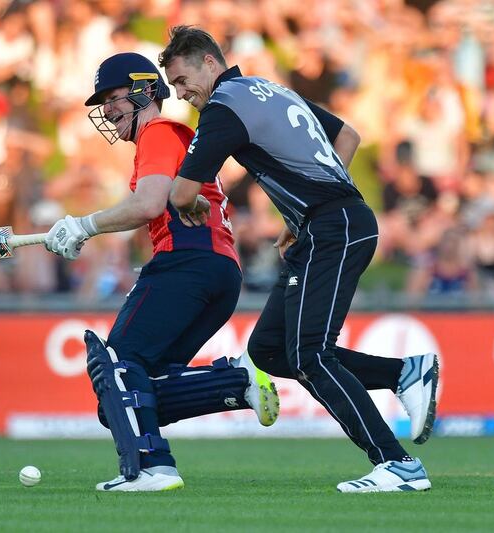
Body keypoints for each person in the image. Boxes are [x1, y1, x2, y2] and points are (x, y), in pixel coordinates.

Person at [161, 26, 438, 493]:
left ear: (210, 62)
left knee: (311, 354)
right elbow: (347, 137)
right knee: (270, 350)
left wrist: (192, 205)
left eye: (183, 80)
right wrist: (303, 208)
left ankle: (398, 464)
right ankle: (405, 373)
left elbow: (182, 192)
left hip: (334, 229)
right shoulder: (267, 89)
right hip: (329, 225)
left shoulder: (224, 106)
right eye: (173, 87)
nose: (181, 93)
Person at [43, 52, 280, 492]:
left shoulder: (159, 132)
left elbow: (149, 204)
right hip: (219, 271)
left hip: (188, 262)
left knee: (115, 363)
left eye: (114, 98)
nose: (108, 110)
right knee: (129, 394)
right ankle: (234, 381)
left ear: (143, 91)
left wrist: (83, 224)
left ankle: (153, 467)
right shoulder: (168, 139)